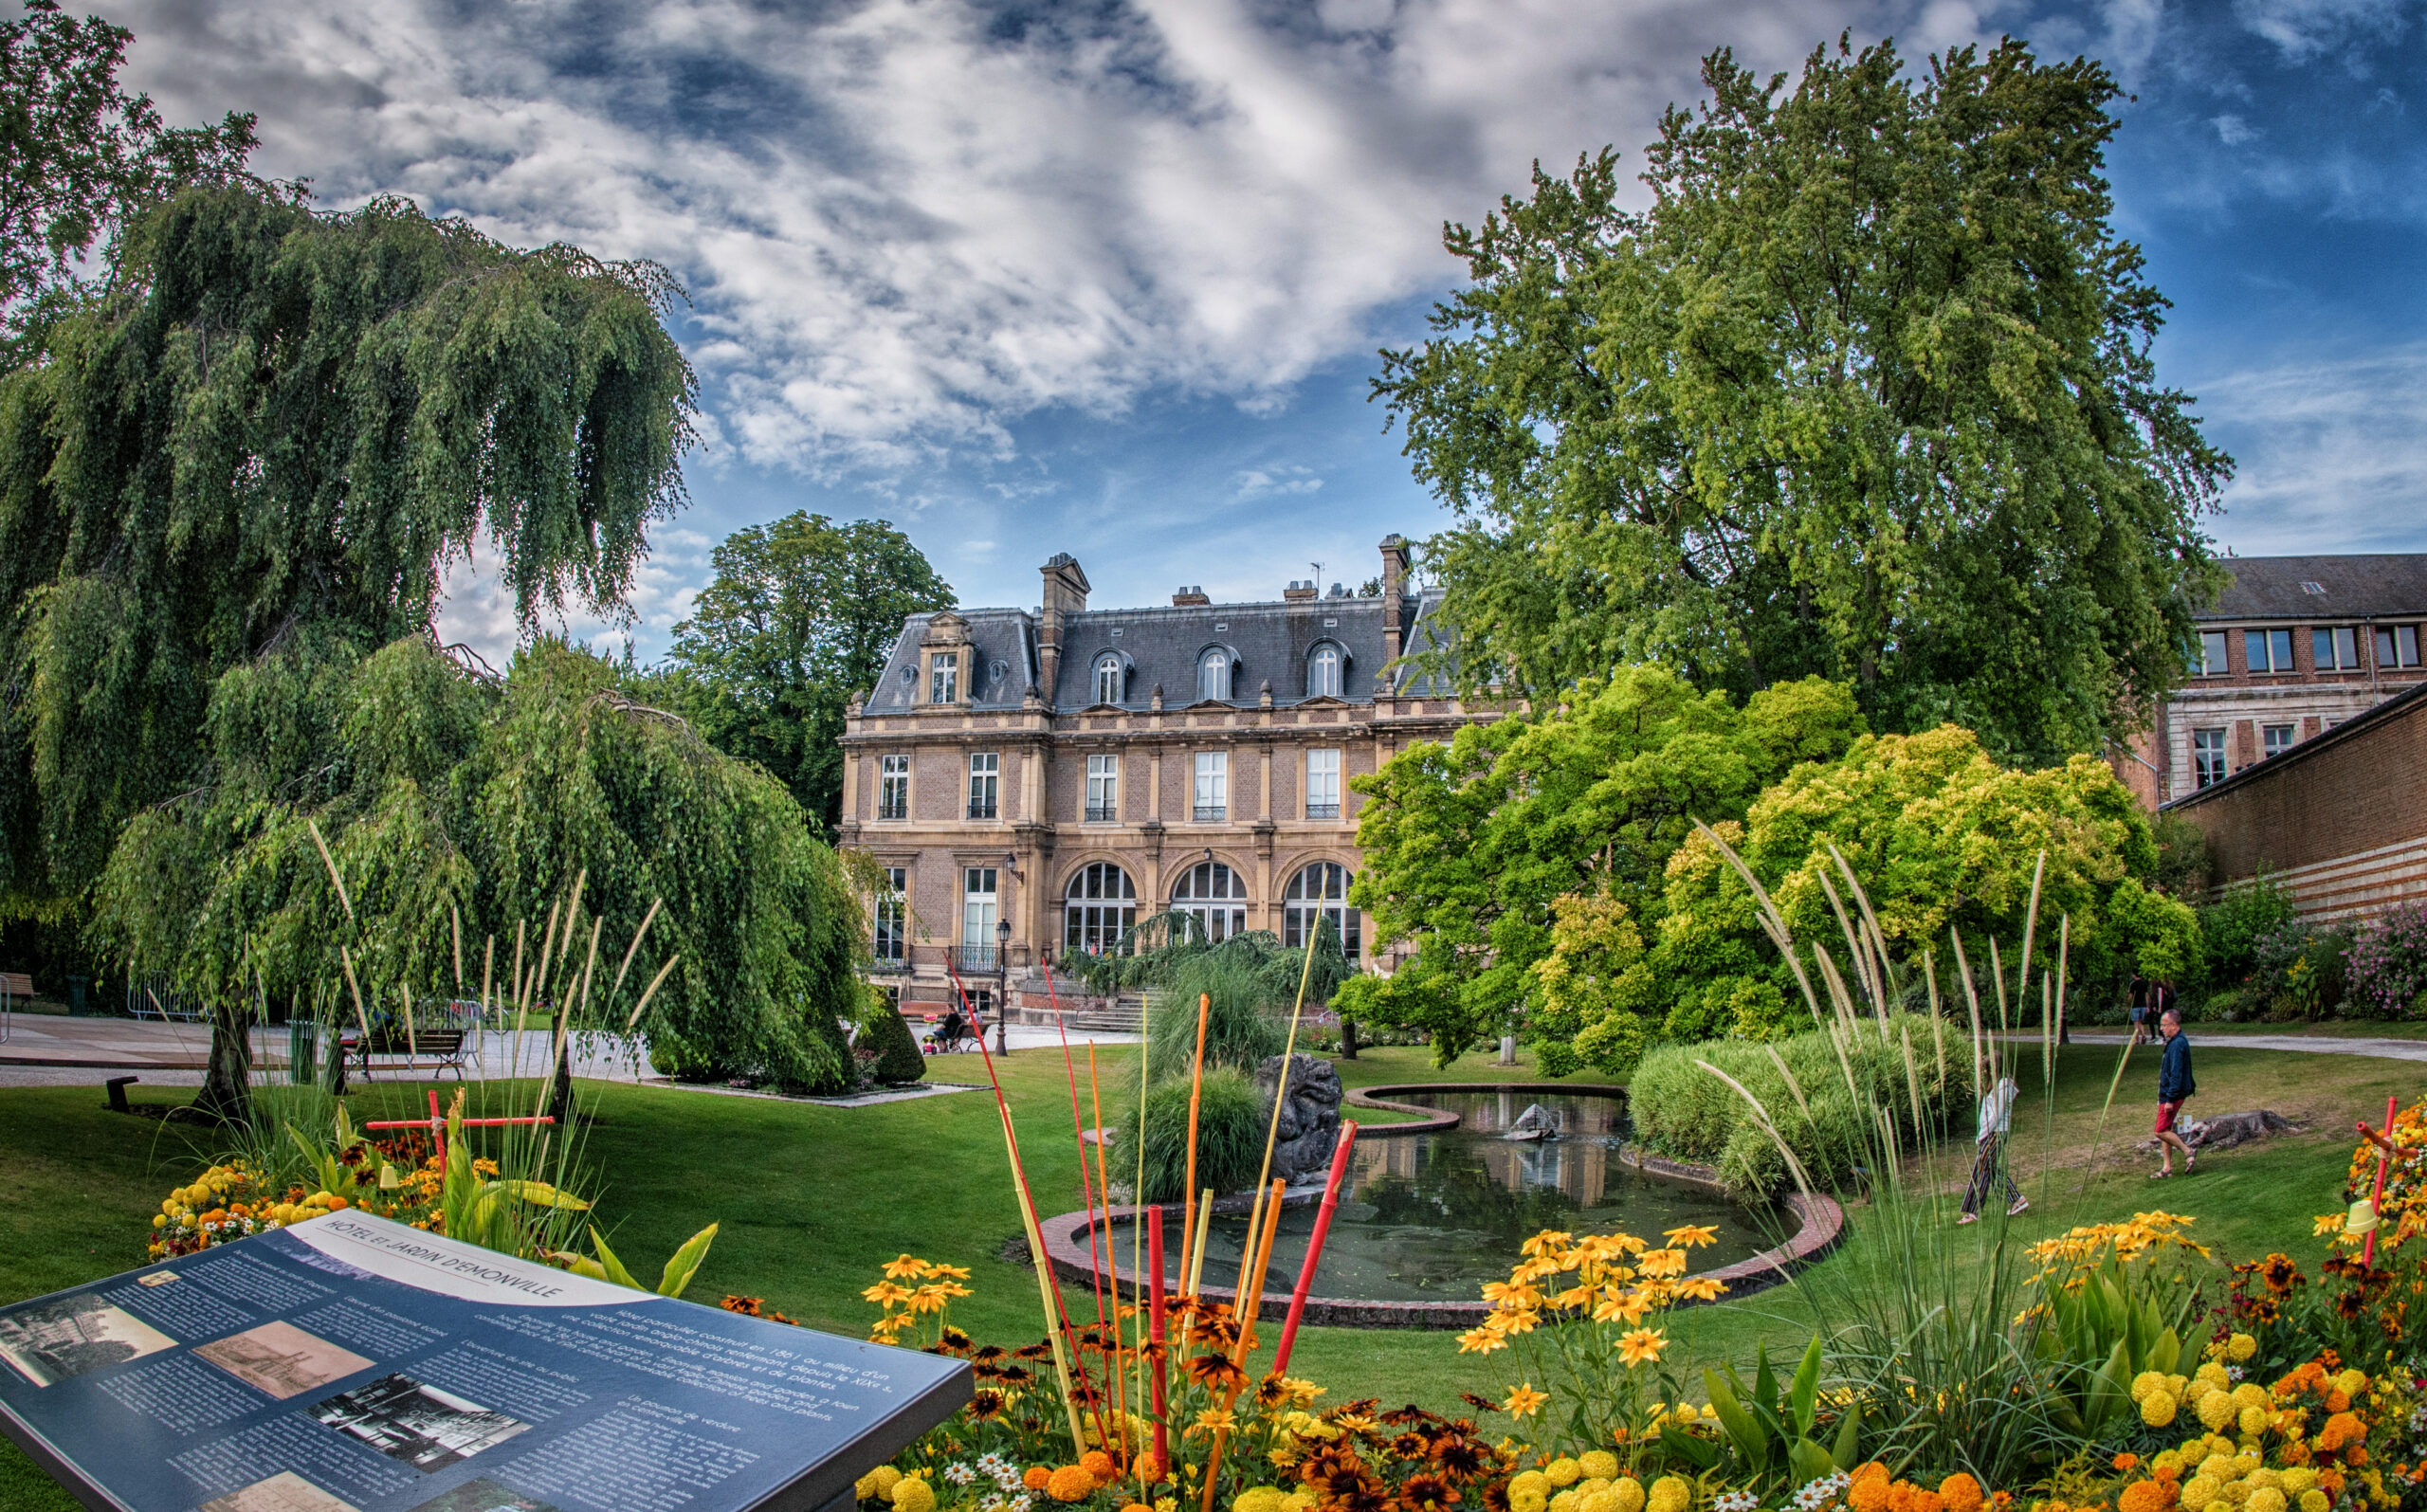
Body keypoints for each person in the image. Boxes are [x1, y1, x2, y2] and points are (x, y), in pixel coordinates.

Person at [1960, 1071, 2026, 1223]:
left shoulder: (2003, 1086)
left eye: (1985, 1068)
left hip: (1996, 1133)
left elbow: (1997, 1114)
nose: (1982, 1072)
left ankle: (1973, 1211)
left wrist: (1982, 1135)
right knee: (1990, 1167)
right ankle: (2017, 1200)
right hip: (1992, 1132)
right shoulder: (1997, 1085)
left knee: (1982, 1167)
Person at [2153, 1007, 2197, 1177]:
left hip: (2172, 1095)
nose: (2162, 1029)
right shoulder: (2175, 1041)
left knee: (2160, 1131)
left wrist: (2170, 1099)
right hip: (2167, 1093)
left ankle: (2188, 1151)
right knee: (2167, 1128)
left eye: (2164, 1025)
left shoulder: (2178, 1044)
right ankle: (2167, 1168)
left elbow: (2176, 1074)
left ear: (2173, 1025)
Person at [2126, 975, 2151, 1047]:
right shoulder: (2144, 983)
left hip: (2135, 1006)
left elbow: (2130, 996)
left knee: (2136, 1023)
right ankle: (2143, 1034)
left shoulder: (2133, 984)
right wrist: (2147, 1005)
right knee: (2141, 1022)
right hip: (2143, 1005)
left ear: (2134, 975)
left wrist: (2128, 1004)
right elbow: (2147, 995)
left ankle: (2136, 1040)